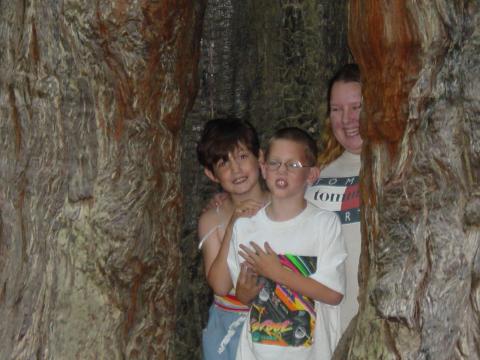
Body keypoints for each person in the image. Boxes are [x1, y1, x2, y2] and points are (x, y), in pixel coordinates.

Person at [226, 127, 347, 360]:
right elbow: (241, 295)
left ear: (311, 175)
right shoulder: (245, 227)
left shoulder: (324, 224)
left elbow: (334, 294)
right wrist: (244, 292)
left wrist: (277, 273)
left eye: (293, 165)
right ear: (263, 168)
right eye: (274, 163)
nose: (282, 170)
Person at [197, 118, 269, 359]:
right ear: (211, 173)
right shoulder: (211, 219)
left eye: (242, 156)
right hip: (229, 327)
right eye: (223, 162)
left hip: (279, 322)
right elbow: (219, 285)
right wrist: (232, 226)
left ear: (259, 157)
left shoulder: (283, 204)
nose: (236, 170)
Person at [304, 63, 362, 332]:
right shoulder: (316, 174)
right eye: (337, 110)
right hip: (323, 328)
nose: (347, 119)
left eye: (356, 107)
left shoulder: (404, 172)